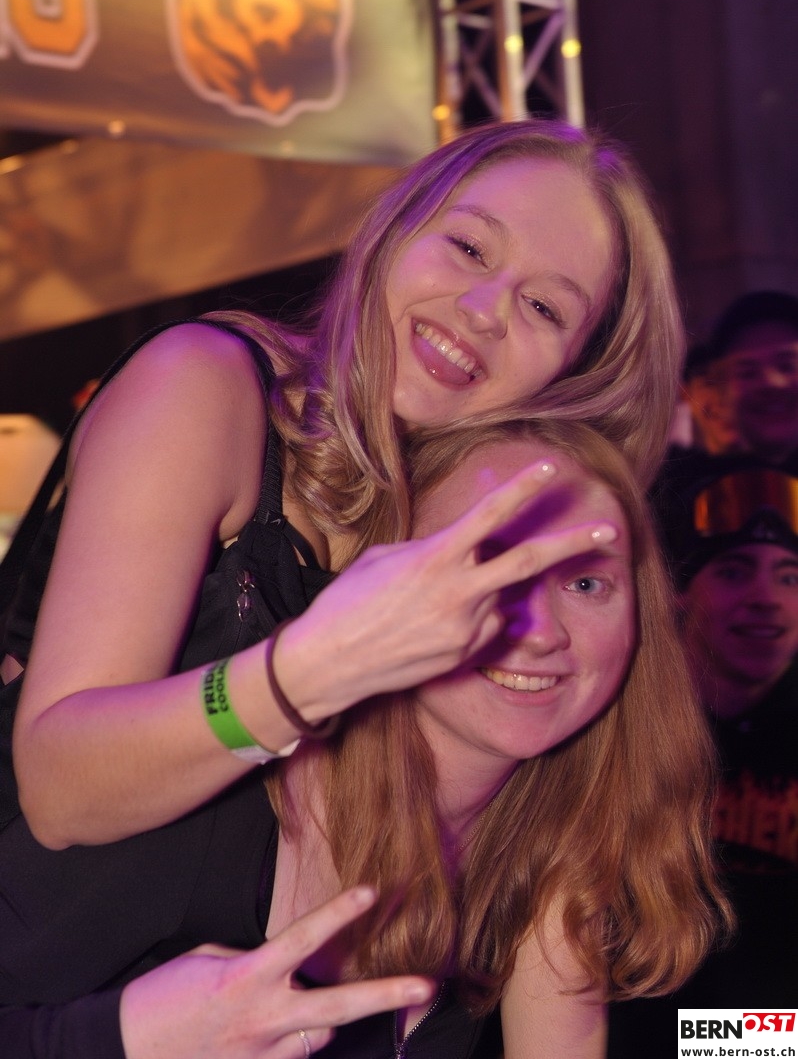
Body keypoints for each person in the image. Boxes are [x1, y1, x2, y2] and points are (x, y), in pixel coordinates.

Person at [0, 117, 685, 852]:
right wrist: (306, 674)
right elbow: (61, 793)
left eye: (545, 308)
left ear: (578, 373)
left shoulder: (458, 517)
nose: (483, 311)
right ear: (395, 229)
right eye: (468, 248)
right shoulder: (202, 387)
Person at [1, 420, 730, 1058]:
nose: (540, 632)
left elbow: (691, 1030)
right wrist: (120, 1039)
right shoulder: (209, 811)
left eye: (585, 584)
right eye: (484, 563)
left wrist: (756, 1035)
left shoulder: (543, 859)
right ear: (382, 591)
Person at [608, 463, 798, 1058]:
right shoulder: (621, 723)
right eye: (734, 571)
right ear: (679, 589)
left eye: (790, 577)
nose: (766, 600)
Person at [708, 288, 798, 467]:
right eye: (748, 373)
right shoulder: (703, 483)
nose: (770, 382)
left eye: (787, 366)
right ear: (722, 395)